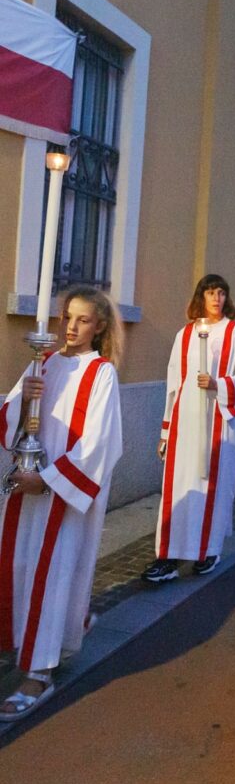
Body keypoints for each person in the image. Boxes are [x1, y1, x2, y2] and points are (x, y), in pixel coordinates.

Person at [0, 286, 123, 720]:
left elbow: (101, 445)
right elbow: (9, 420)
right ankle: (44, 633)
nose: (71, 327)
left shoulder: (101, 373)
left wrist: (47, 481)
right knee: (18, 568)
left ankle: (39, 673)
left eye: (83, 319)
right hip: (27, 494)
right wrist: (24, 399)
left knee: (51, 575)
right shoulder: (45, 362)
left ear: (100, 326)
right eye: (67, 317)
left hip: (61, 497)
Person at [142, 274, 235, 583]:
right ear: (200, 297)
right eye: (210, 293)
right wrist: (165, 432)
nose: (216, 298)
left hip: (220, 425)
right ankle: (168, 557)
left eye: (221, 292)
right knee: (179, 488)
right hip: (186, 424)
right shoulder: (185, 335)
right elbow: (173, 385)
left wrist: (219, 385)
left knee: (213, 490)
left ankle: (209, 550)